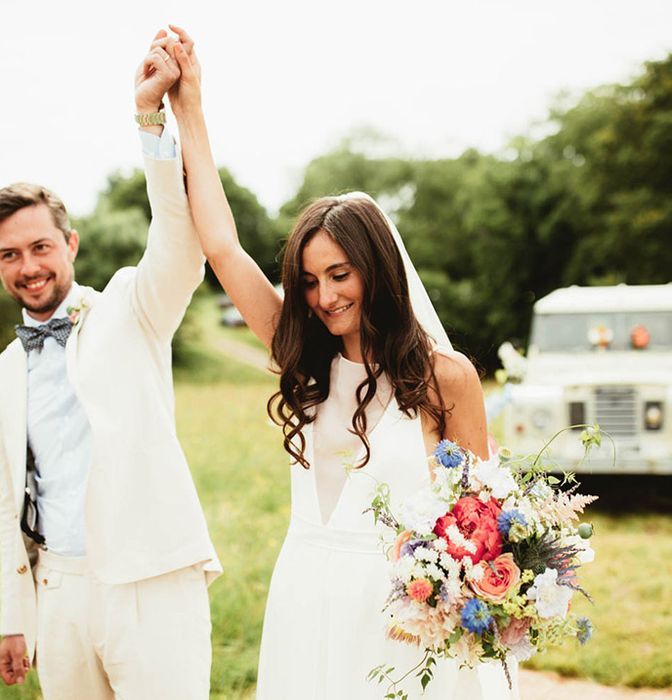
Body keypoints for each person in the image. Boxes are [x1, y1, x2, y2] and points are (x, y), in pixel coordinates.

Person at [167, 28, 519, 698]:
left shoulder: (448, 379)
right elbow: (220, 244)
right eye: (307, 280)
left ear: (378, 271)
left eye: (339, 274)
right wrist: (189, 109)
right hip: (305, 597)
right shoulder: (301, 356)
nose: (323, 296)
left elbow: (480, 526)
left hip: (402, 620)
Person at [0, 30, 220, 699]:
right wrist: (15, 617)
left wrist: (151, 120)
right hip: (59, 593)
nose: (28, 267)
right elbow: (11, 503)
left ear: (70, 243)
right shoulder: (0, 374)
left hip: (150, 581)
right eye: (9, 255)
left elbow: (180, 242)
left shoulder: (128, 307)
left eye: (40, 247)